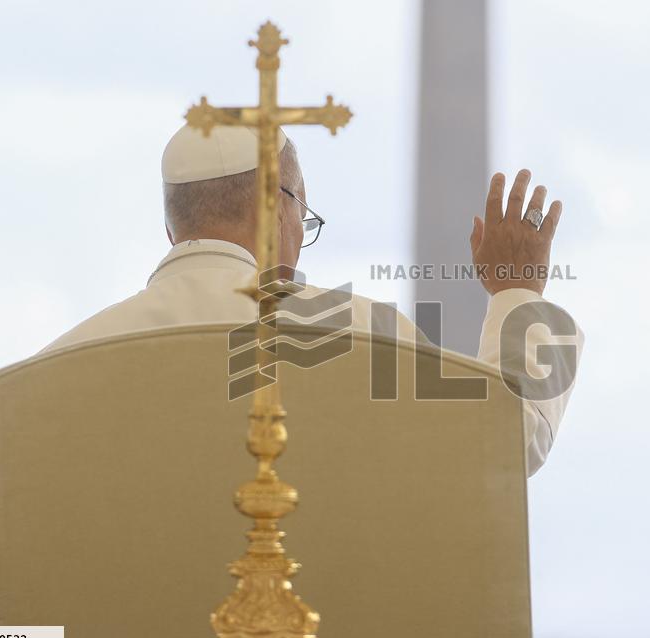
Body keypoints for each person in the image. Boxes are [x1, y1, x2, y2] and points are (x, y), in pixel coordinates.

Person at [42, 125, 583, 475]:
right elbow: (508, 443)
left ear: (170, 229)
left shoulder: (58, 367)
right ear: (280, 211)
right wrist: (518, 290)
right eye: (306, 217)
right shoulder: (367, 338)